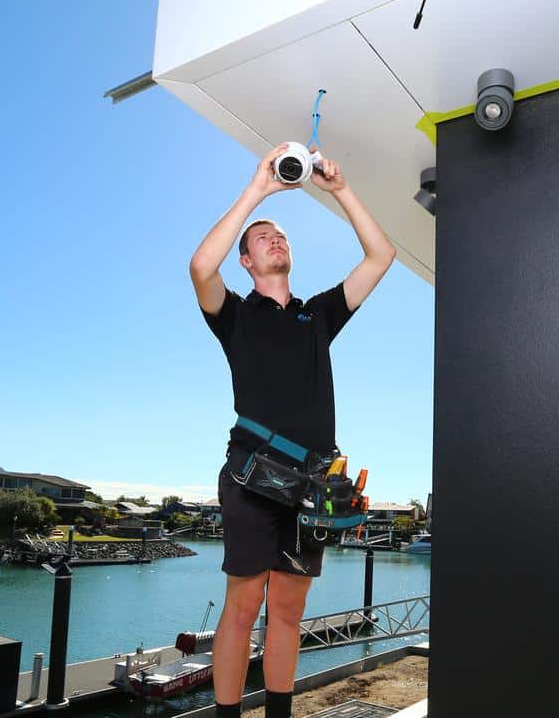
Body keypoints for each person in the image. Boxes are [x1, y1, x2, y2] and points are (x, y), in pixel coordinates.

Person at [190, 144, 395, 718]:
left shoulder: (317, 315)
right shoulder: (233, 314)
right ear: (247, 263)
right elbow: (200, 268)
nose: (274, 240)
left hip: (311, 487)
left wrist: (341, 190)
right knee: (242, 605)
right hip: (252, 474)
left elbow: (381, 256)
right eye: (261, 239)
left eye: (280, 235)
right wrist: (257, 190)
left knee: (287, 611)